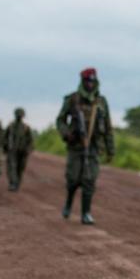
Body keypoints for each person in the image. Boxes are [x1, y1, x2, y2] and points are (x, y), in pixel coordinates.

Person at [56, 67, 115, 225]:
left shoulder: (101, 102)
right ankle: (68, 203)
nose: (90, 84)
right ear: (82, 81)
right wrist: (66, 133)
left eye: (92, 81)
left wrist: (110, 150)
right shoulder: (73, 99)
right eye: (87, 81)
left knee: (89, 179)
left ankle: (86, 213)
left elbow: (108, 127)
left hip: (94, 146)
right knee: (73, 179)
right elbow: (60, 120)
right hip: (76, 146)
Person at [3, 107, 34, 191]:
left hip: (23, 151)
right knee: (12, 167)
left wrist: (28, 149)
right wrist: (5, 147)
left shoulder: (26, 128)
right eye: (18, 115)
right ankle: (13, 183)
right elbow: (5, 138)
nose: (19, 116)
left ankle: (17, 184)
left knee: (20, 168)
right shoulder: (11, 126)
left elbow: (30, 140)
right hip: (12, 150)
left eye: (20, 115)